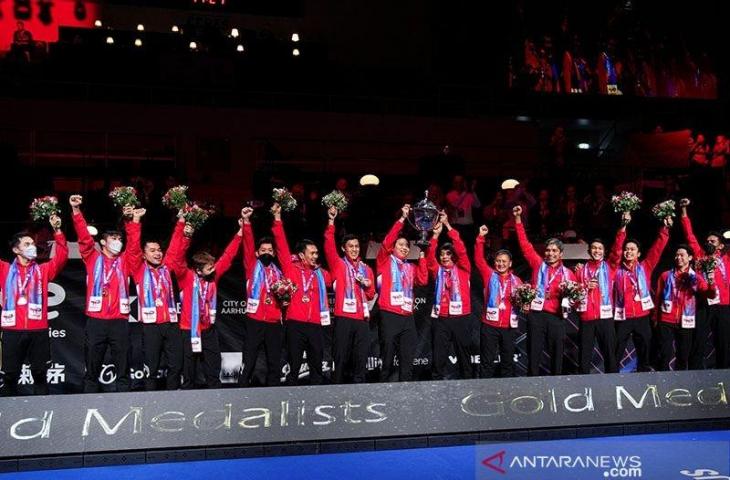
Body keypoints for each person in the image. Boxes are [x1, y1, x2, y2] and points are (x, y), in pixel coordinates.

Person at [71, 195, 142, 393]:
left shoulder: (125, 261)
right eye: (113, 238)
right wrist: (77, 212)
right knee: (92, 366)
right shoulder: (93, 258)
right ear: (103, 242)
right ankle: (88, 403)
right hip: (96, 321)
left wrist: (134, 222)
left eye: (120, 239)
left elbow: (135, 247)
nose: (118, 242)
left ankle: (125, 404)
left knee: (123, 366)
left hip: (119, 320)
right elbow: (85, 239)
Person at [168, 213, 242, 389]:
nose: (214, 268)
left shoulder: (213, 277)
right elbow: (177, 259)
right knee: (189, 369)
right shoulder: (185, 277)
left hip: (208, 330)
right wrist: (185, 234)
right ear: (199, 270)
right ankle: (188, 397)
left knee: (213, 365)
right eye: (209, 267)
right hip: (188, 330)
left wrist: (240, 232)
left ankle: (215, 395)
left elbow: (228, 256)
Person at [1, 215, 68, 396]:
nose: (32, 247)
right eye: (27, 244)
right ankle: (7, 415)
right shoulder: (4, 270)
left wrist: (58, 231)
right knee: (9, 375)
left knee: (40, 374)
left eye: (32, 243)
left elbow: (62, 256)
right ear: (16, 249)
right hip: (11, 330)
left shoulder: (42, 270)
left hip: (38, 330)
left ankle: (43, 414)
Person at [271, 202, 332, 385]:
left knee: (316, 365)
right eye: (312, 253)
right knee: (294, 364)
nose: (315, 256)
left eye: (317, 253)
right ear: (302, 255)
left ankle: (316, 400)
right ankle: (289, 398)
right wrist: (277, 219)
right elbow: (281, 245)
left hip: (315, 325)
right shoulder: (291, 269)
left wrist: (331, 224)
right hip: (295, 324)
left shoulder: (322, 274)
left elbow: (335, 269)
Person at [513, 205, 576, 376]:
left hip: (556, 317)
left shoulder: (568, 274)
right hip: (536, 315)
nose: (550, 253)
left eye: (554, 250)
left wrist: (571, 299)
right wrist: (518, 220)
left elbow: (575, 298)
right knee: (533, 351)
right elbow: (525, 244)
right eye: (548, 250)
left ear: (561, 253)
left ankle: (556, 383)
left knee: (556, 353)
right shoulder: (537, 264)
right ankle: (532, 383)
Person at [131, 214, 184, 391]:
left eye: (159, 249)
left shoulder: (167, 267)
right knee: (151, 368)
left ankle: (174, 401)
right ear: (144, 255)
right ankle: (150, 402)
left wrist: (181, 222)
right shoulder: (138, 270)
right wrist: (135, 222)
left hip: (171, 323)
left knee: (176, 365)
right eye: (152, 250)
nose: (158, 253)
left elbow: (175, 247)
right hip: (150, 325)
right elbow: (132, 249)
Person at [376, 204, 428, 382]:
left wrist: (422, 256)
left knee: (407, 358)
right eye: (401, 244)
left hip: (407, 317)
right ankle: (383, 388)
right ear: (393, 247)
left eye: (407, 245)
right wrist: (401, 219)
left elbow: (422, 280)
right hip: (389, 315)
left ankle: (406, 391)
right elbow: (387, 241)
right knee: (388, 358)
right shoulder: (384, 260)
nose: (405, 248)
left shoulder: (410, 267)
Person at [324, 206, 375, 383]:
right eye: (350, 246)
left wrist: (368, 286)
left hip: (361, 320)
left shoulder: (366, 269)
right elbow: (328, 246)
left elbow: (370, 295)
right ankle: (337, 387)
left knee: (361, 357)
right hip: (343, 318)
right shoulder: (338, 265)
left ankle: (358, 389)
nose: (354, 249)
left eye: (356, 246)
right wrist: (331, 222)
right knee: (340, 357)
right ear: (343, 249)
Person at [613, 216, 671, 372]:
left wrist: (665, 230)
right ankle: (611, 378)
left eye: (632, 249)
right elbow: (616, 249)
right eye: (626, 249)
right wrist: (622, 228)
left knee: (645, 350)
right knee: (616, 351)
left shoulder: (645, 266)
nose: (628, 252)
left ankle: (643, 376)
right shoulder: (616, 270)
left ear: (638, 253)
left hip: (642, 317)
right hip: (622, 317)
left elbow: (657, 249)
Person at [573, 212, 627, 374]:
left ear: (604, 251)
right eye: (594, 248)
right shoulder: (580, 270)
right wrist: (584, 286)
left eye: (600, 248)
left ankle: (613, 384)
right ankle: (583, 385)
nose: (597, 251)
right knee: (584, 356)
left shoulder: (609, 267)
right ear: (589, 251)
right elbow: (575, 295)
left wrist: (623, 228)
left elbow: (617, 250)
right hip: (586, 318)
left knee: (610, 354)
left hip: (605, 319)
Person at [679, 198, 730, 369]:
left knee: (723, 341)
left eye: (713, 242)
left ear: (721, 246)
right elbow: (689, 234)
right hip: (703, 304)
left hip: (724, 306)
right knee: (698, 339)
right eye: (707, 241)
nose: (708, 243)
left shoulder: (727, 259)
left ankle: (724, 374)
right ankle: (695, 373)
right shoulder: (700, 256)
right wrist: (684, 210)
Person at [239, 206, 284, 387]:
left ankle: (272, 394)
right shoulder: (252, 266)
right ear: (257, 253)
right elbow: (248, 244)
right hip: (255, 320)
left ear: (274, 253)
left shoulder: (279, 273)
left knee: (274, 362)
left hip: (273, 322)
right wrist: (247, 223)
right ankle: (241, 392)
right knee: (249, 360)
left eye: (270, 250)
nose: (266, 252)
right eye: (263, 249)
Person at [427, 211, 474, 380]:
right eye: (442, 254)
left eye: (448, 254)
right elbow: (430, 258)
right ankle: (436, 386)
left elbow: (460, 249)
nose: (445, 257)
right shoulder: (437, 270)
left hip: (461, 317)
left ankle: (468, 385)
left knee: (464, 354)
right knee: (439, 356)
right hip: (442, 318)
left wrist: (447, 226)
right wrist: (435, 236)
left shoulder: (463, 269)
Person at [655, 245, 714, 371]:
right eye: (677, 255)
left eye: (682, 255)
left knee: (683, 356)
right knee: (664, 354)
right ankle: (661, 384)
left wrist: (711, 282)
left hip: (686, 321)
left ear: (690, 257)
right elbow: (658, 298)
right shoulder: (665, 275)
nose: (678, 257)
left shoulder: (696, 278)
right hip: (666, 320)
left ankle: (679, 385)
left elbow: (710, 294)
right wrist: (655, 318)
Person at [474, 225, 520, 378]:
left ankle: (506, 392)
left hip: (508, 327)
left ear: (510, 263)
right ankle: (485, 391)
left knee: (507, 361)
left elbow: (523, 302)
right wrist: (481, 238)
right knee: (487, 361)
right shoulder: (489, 274)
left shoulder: (517, 281)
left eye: (504, 261)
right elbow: (479, 260)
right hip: (489, 326)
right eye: (498, 261)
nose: (500, 264)